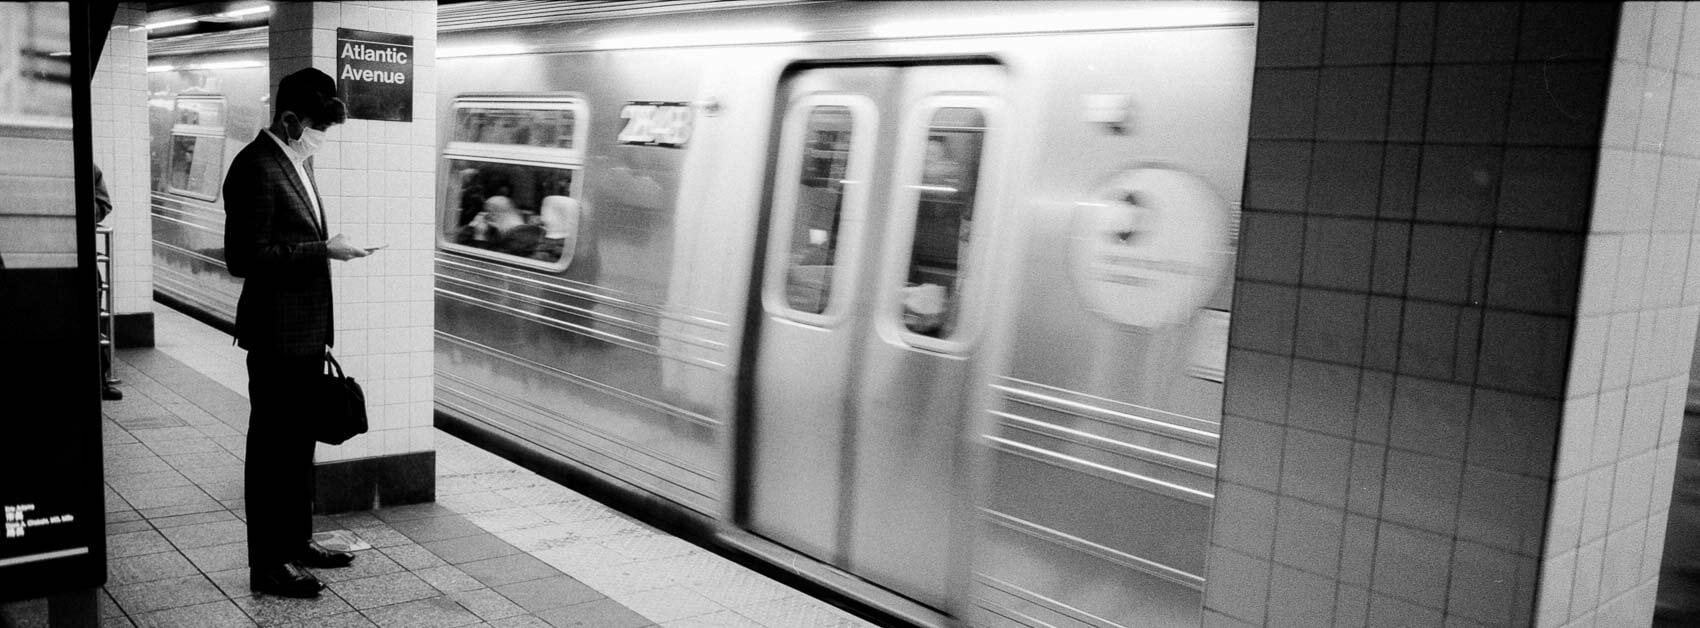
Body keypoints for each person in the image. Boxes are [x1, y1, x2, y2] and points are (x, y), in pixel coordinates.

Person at [222, 67, 372, 599]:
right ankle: (267, 565)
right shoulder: (255, 168)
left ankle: (297, 543)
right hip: (275, 338)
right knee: (271, 456)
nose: (320, 138)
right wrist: (323, 250)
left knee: (296, 449)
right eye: (314, 127)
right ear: (288, 119)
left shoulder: (296, 162)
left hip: (305, 334)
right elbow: (244, 258)